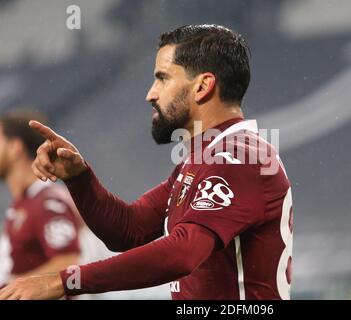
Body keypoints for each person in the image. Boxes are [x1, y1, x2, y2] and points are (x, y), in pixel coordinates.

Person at [0, 24, 293, 300]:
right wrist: (79, 178)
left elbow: (183, 253)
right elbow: (128, 230)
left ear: (203, 86)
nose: (150, 94)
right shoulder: (201, 161)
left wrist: (61, 280)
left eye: (162, 78)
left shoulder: (240, 157)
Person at [0, 111, 81, 290]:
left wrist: (9, 290)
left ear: (15, 147)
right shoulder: (21, 205)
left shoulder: (47, 203)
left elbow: (69, 264)